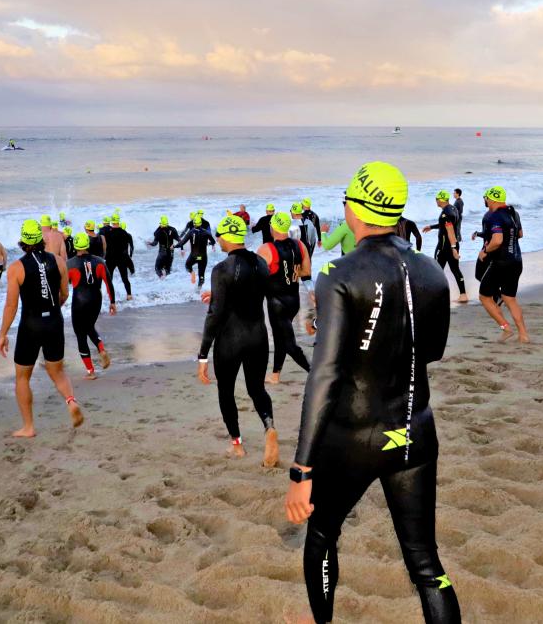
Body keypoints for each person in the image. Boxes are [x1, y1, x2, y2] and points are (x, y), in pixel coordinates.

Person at [285, 161, 461, 624]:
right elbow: (434, 351)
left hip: (356, 438)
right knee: (426, 564)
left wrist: (301, 468)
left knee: (322, 535)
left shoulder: (340, 274)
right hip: (415, 432)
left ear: (356, 207)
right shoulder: (432, 272)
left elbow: (324, 375)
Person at [195, 215, 277, 467]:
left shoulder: (221, 269)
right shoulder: (261, 263)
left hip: (230, 340)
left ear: (227, 237)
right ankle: (269, 426)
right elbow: (256, 294)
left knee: (226, 391)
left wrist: (202, 355)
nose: (217, 239)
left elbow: (215, 315)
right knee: (256, 389)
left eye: (219, 235)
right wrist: (219, 295)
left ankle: (237, 446)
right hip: (258, 336)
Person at [0, 221, 83, 438]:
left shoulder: (16, 267)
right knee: (57, 371)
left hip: (31, 325)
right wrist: (53, 309)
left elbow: (11, 305)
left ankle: (28, 427)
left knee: (22, 377)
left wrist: (3, 333)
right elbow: (64, 293)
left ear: (23, 241)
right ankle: (71, 401)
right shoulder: (58, 261)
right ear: (40, 239)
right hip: (54, 321)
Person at [256, 212, 312, 384]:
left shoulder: (266, 249)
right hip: (294, 301)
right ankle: (275, 375)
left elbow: (256, 277)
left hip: (276, 303)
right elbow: (306, 272)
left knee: (288, 344)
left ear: (272, 227)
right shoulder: (300, 245)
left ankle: (315, 373)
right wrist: (290, 274)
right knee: (281, 338)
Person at [477, 186, 529, 342]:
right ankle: (523, 335)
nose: (485, 200)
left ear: (491, 198)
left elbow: (497, 240)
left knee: (484, 297)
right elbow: (519, 234)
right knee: (510, 299)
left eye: (486, 197)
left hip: (501, 262)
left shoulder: (494, 216)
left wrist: (485, 250)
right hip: (516, 261)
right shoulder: (512, 213)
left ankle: (505, 328)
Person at [66, 233, 116, 380]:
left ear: (75, 246)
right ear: (87, 244)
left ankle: (90, 371)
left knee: (81, 334)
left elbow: (64, 285)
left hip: (80, 300)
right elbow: (109, 282)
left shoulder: (70, 263)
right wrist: (112, 302)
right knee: (89, 326)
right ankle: (101, 349)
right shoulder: (100, 261)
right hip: (96, 300)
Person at [422, 190, 468, 302]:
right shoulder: (453, 209)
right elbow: (446, 225)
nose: (436, 201)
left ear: (440, 199)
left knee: (437, 270)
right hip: (453, 244)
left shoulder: (445, 213)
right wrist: (431, 227)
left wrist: (453, 249)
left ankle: (437, 295)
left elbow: (450, 230)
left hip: (445, 247)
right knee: (455, 269)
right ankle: (463, 295)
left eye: (436, 199)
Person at [176, 213, 215, 288]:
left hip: (194, 256)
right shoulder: (206, 232)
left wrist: (175, 246)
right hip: (203, 257)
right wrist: (208, 244)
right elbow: (213, 242)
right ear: (201, 223)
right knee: (201, 276)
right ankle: (198, 291)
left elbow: (182, 242)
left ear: (194, 223)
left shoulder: (191, 232)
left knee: (187, 265)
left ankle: (192, 272)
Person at [105, 216, 134, 301]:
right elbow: (127, 248)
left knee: (109, 279)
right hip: (122, 258)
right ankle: (129, 295)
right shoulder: (125, 233)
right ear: (118, 222)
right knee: (125, 278)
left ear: (112, 222)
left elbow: (106, 247)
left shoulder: (108, 233)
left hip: (111, 259)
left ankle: (110, 298)